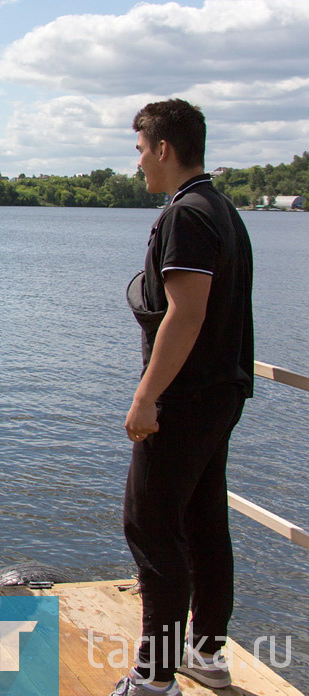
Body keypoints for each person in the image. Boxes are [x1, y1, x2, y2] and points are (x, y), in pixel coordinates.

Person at [113, 99, 253, 695]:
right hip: (220, 391)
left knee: (149, 525)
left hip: (186, 397)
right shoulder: (221, 207)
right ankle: (206, 651)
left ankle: (153, 678)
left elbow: (185, 315)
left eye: (141, 149)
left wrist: (147, 398)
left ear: (164, 149)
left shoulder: (188, 215)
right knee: (201, 519)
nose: (139, 162)